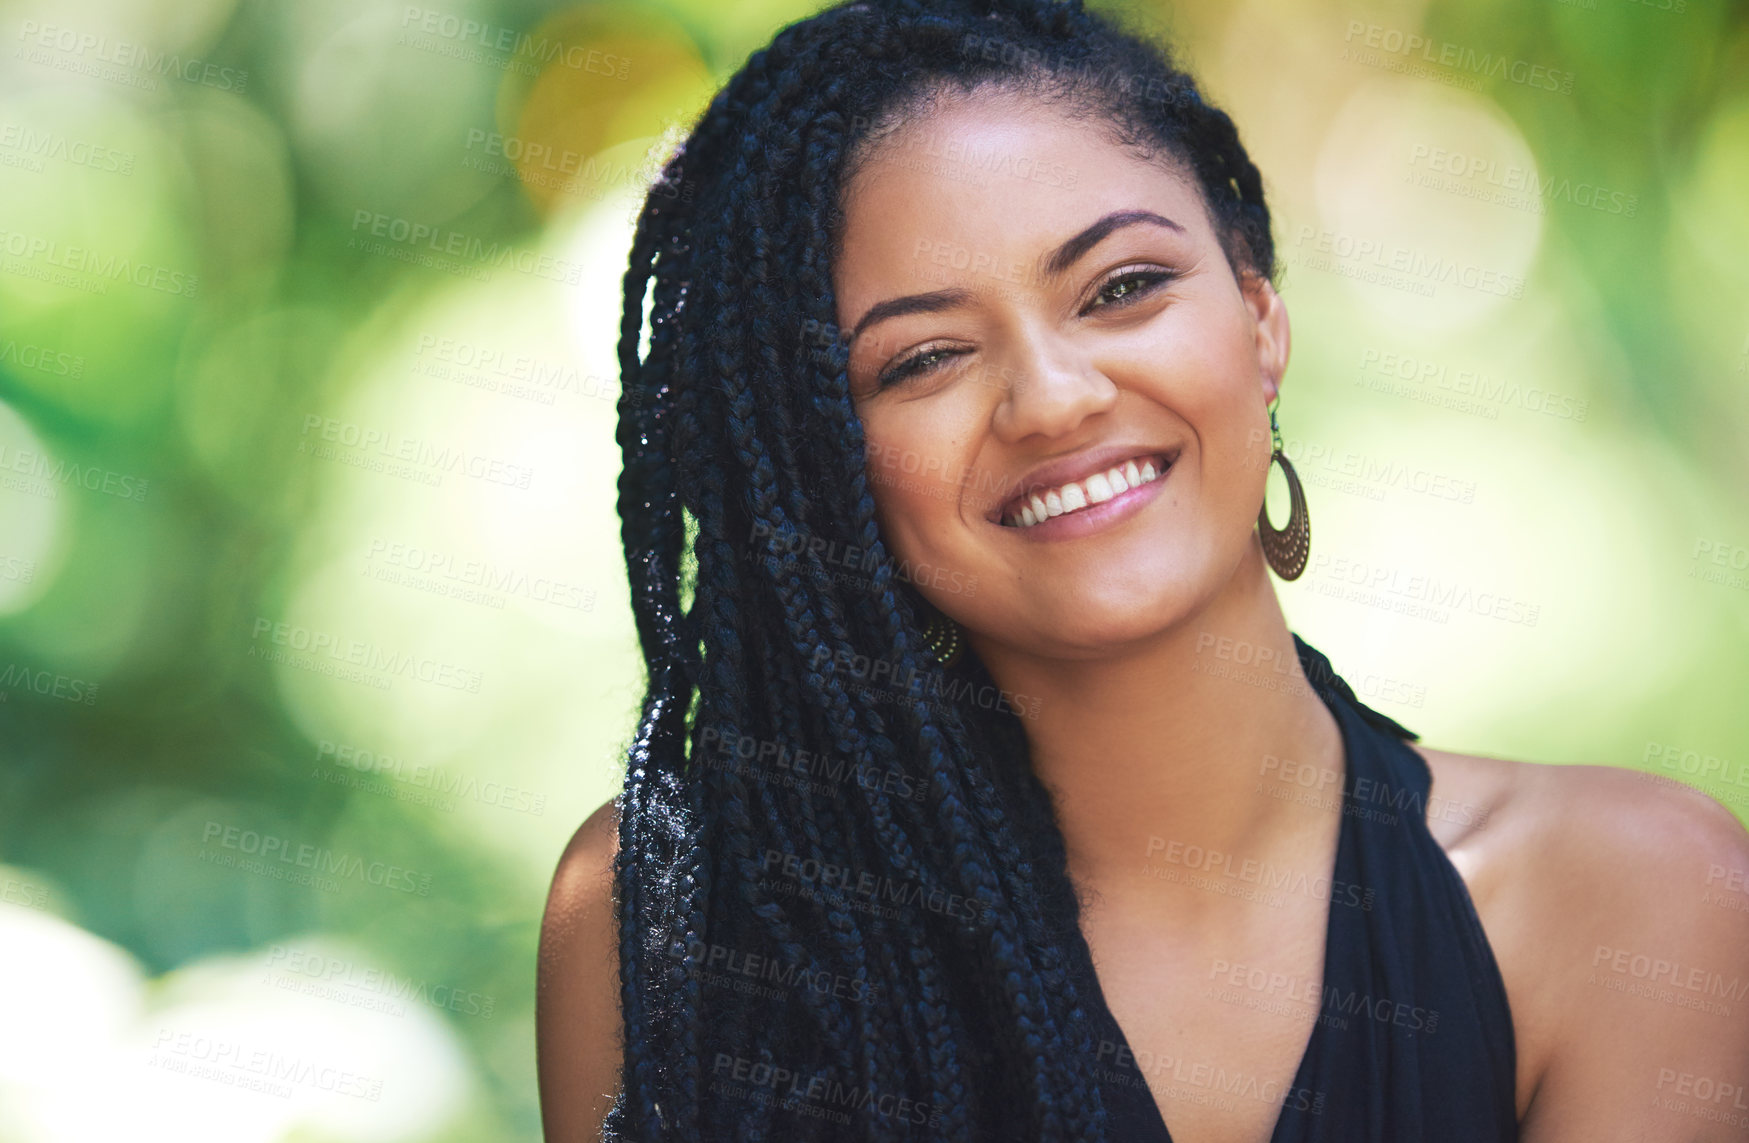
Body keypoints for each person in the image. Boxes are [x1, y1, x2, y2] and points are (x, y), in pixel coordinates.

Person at [537, 0, 1749, 1139]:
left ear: (1260, 322)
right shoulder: (667, 928)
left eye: (1123, 288)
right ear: (820, 464)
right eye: (922, 360)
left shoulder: (1636, 900)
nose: (1055, 399)